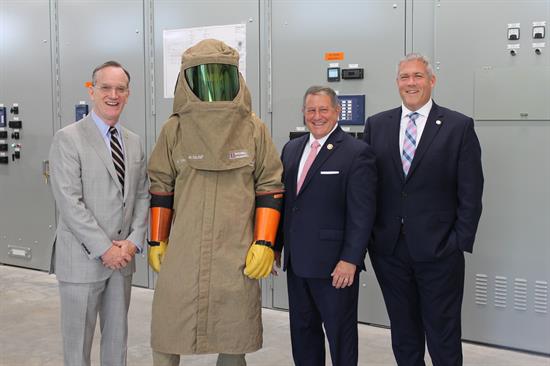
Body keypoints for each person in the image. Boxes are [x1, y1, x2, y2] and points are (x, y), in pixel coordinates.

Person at [146, 39, 284, 366]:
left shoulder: (254, 130)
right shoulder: (174, 130)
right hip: (183, 251)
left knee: (234, 335)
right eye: (203, 77)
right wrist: (156, 238)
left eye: (220, 77)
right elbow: (161, 184)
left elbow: (270, 184)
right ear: (186, 81)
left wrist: (264, 242)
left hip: (235, 250)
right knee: (167, 329)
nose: (212, 86)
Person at [363, 53, 484, 366]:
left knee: (442, 334)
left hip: (440, 250)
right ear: (397, 83)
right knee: (403, 333)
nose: (411, 83)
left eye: (418, 76)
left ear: (432, 81)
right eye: (405, 77)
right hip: (390, 251)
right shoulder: (377, 125)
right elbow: (367, 187)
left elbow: (471, 191)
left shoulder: (458, 126)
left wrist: (458, 241)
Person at [48, 60, 149, 366]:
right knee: (78, 347)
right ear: (92, 91)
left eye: (120, 89)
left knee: (117, 343)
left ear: (128, 94)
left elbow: (143, 194)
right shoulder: (68, 139)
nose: (113, 95)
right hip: (82, 261)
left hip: (123, 260)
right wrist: (105, 249)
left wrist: (132, 242)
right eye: (106, 87)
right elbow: (69, 202)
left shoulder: (133, 142)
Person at [274, 86, 377, 366]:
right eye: (311, 110)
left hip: (335, 267)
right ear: (304, 113)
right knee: (303, 334)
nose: (316, 116)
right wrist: (276, 247)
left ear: (336, 112)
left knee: (340, 338)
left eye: (323, 110)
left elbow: (362, 213)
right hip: (298, 264)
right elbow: (287, 204)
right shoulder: (292, 149)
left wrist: (350, 259)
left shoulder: (357, 153)